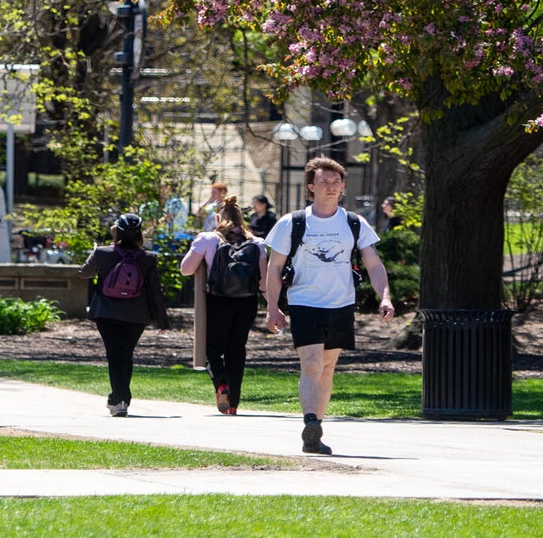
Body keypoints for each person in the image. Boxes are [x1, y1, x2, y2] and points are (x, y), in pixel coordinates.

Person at [263, 157, 396, 455]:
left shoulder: (353, 222)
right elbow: (274, 268)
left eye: (336, 182)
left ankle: (316, 431)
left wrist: (384, 296)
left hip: (341, 304)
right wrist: (273, 307)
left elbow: (373, 264)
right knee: (311, 363)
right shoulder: (292, 222)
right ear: (311, 187)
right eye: (324, 182)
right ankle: (310, 422)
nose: (332, 187)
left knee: (327, 367)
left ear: (343, 186)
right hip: (304, 303)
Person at [77, 212, 170, 417]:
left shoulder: (103, 253)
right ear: (139, 235)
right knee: (125, 354)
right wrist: (162, 321)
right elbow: (155, 291)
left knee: (114, 355)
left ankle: (119, 399)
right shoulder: (148, 258)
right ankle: (120, 398)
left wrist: (94, 253)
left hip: (107, 313)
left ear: (116, 231)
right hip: (136, 315)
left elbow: (84, 272)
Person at [181, 196, 267, 415]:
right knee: (236, 350)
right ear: (242, 218)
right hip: (247, 302)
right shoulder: (257, 243)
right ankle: (234, 403)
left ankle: (221, 384)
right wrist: (273, 306)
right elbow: (264, 282)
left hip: (218, 300)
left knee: (211, 348)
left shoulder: (208, 239)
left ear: (217, 217)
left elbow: (186, 269)